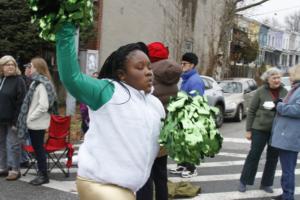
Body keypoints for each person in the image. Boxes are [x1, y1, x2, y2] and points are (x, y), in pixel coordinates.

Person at [55, 23, 165, 200]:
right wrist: (66, 29)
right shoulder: (108, 91)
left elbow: (158, 144)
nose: (148, 72)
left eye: (149, 67)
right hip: (100, 183)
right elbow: (71, 78)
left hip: (130, 188)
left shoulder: (155, 104)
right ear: (122, 74)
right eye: (140, 67)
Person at [136, 42, 182, 200]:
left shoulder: (148, 75)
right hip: (166, 131)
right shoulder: (173, 77)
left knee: (145, 175)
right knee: (161, 174)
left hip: (149, 132)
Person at [238, 67, 287, 193]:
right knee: (254, 155)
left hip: (276, 131)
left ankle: (266, 184)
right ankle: (244, 181)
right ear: (268, 79)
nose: (277, 80)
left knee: (273, 158)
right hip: (259, 129)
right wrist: (248, 130)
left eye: (278, 77)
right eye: (274, 77)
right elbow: (251, 111)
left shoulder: (285, 92)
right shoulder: (260, 91)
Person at [17, 57, 57, 186]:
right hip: (35, 122)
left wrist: (29, 118)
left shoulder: (42, 83)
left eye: (32, 66)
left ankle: (43, 175)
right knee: (37, 149)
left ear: (38, 68)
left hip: (37, 123)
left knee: (38, 150)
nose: (29, 68)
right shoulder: (36, 82)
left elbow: (43, 106)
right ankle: (42, 173)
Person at [170, 52, 205, 178]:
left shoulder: (195, 80)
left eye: (185, 63)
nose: (182, 65)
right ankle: (182, 164)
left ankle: (191, 168)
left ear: (192, 65)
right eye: (182, 63)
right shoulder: (186, 79)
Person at [270, 65, 300, 200]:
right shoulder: (296, 88)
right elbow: (291, 104)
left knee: (288, 170)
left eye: (292, 74)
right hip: (288, 135)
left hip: (291, 136)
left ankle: (288, 197)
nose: (290, 77)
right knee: (286, 169)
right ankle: (286, 194)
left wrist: (279, 106)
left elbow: (297, 110)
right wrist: (281, 102)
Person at [0, 55, 26, 181]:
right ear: (2, 67)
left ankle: (15, 170)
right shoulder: (1, 80)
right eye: (7, 64)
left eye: (12, 64)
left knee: (13, 145)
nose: (10, 66)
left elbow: (21, 102)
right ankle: (3, 167)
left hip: (13, 119)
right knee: (1, 144)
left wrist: (17, 121)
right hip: (1, 119)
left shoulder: (18, 80)